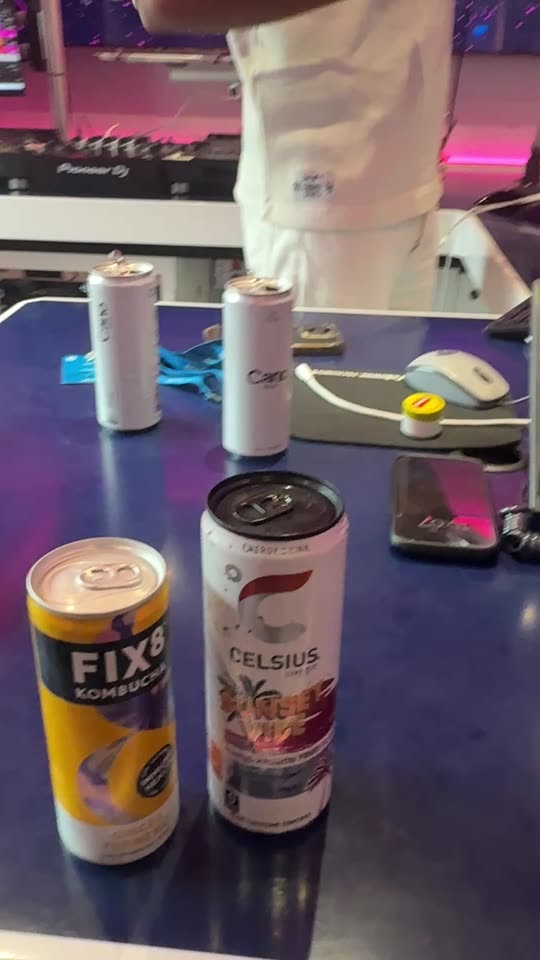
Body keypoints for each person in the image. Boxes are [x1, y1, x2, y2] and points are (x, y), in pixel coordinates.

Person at [135, 0, 455, 311]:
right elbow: (161, 6)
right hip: (320, 207)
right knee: (312, 351)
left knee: (405, 351)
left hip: (413, 191)